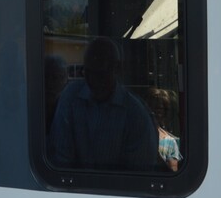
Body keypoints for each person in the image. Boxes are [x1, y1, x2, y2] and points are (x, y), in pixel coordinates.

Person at [49, 36, 158, 170]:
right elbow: (60, 156)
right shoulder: (70, 97)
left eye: (100, 74)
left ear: (117, 69)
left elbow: (140, 169)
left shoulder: (135, 114)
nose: (93, 81)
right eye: (88, 73)